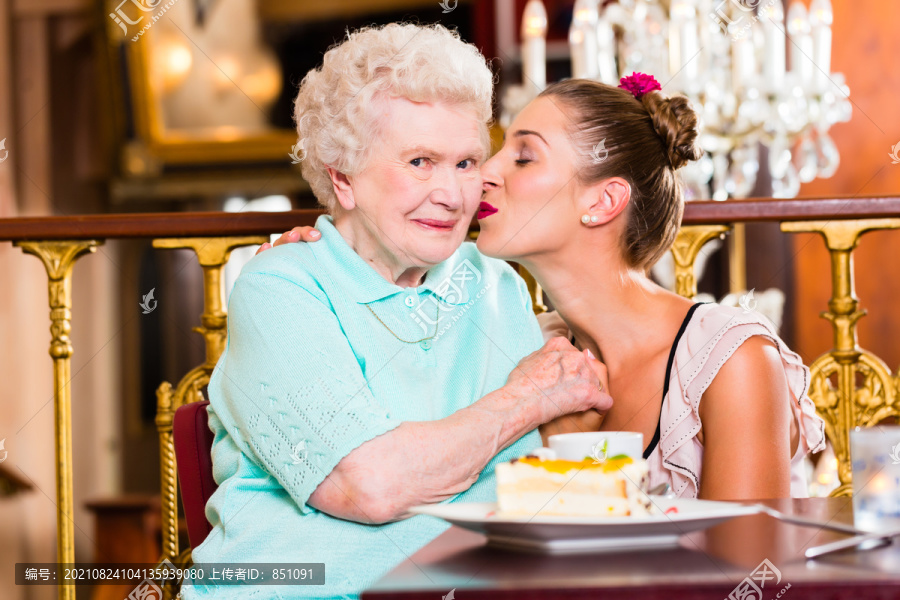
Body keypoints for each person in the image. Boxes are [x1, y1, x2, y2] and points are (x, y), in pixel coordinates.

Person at [184, 23, 611, 600]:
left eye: (465, 163)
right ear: (342, 176)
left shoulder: (494, 284)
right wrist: (525, 398)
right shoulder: (281, 286)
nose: (452, 193)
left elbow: (535, 480)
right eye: (420, 161)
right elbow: (372, 487)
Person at [267, 74, 826, 501]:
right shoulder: (523, 350)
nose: (483, 173)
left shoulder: (730, 359)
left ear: (601, 201)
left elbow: (746, 573)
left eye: (524, 156)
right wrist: (331, 255)